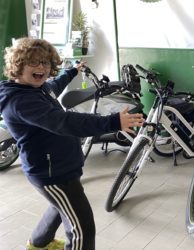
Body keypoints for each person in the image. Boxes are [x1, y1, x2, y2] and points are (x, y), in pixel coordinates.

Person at [0, 37, 144, 250]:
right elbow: (64, 122)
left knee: (59, 206)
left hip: (60, 166)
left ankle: (38, 244)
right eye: (34, 62)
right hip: (52, 174)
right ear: (17, 65)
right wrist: (113, 121)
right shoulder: (21, 101)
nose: (41, 67)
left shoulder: (37, 88)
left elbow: (53, 87)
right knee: (82, 228)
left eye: (46, 63)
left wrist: (72, 72)